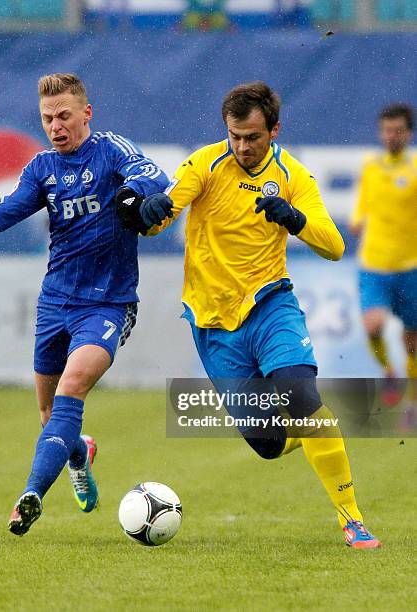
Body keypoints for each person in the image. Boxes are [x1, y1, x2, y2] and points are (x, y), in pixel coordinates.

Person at [119, 81, 381, 548]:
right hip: (214, 324)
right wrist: (150, 212)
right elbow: (160, 217)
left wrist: (293, 218)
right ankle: (317, 428)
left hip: (270, 305)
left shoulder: (294, 176)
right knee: (268, 445)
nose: (242, 146)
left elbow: (336, 246)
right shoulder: (205, 163)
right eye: (235, 136)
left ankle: (352, 519)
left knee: (299, 396)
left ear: (275, 130)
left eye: (253, 137)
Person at [0, 73, 172, 536]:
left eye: (64, 115)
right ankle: (79, 453)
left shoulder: (112, 150)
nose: (55, 125)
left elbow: (153, 177)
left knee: (73, 386)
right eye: (48, 118)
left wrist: (133, 195)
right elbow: (8, 210)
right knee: (52, 415)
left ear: (86, 113)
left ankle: (30, 494)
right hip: (55, 303)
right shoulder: (42, 167)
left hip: (108, 304)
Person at [350, 103, 416, 425]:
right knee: (372, 325)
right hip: (373, 264)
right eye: (387, 130)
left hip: (411, 266)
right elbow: (362, 206)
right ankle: (389, 372)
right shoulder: (370, 166)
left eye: (398, 130)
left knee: (413, 339)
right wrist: (357, 220)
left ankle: (413, 403)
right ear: (381, 132)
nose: (392, 136)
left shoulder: (416, 167)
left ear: (409, 132)